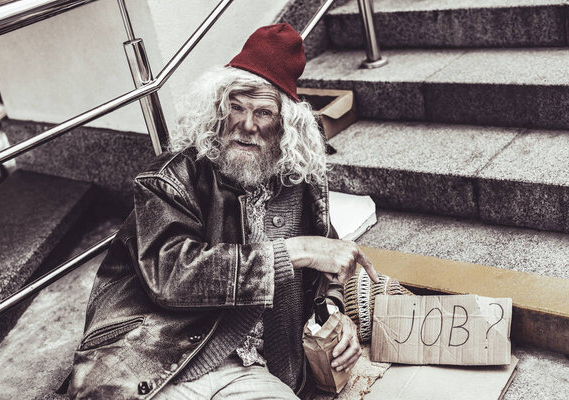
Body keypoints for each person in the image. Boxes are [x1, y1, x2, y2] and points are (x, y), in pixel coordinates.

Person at [66, 23, 379, 400]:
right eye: (236, 107)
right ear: (219, 108)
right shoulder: (172, 176)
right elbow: (172, 275)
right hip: (156, 363)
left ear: (285, 125)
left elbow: (328, 266)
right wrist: (296, 251)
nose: (247, 125)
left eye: (263, 112)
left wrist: (333, 313)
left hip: (251, 370)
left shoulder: (299, 182)